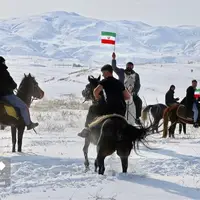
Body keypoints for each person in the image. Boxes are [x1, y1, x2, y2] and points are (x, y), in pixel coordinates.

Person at [78, 64, 130, 138]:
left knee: (92, 108)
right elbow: (128, 97)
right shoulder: (119, 83)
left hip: (109, 109)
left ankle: (87, 129)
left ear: (106, 72)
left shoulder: (104, 81)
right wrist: (118, 98)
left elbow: (95, 91)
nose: (102, 75)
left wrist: (98, 97)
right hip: (121, 110)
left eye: (103, 73)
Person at [0, 56, 39, 130]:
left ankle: (2, 126)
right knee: (24, 107)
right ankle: (29, 124)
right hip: (7, 95)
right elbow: (12, 84)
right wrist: (13, 86)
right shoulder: (4, 71)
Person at [111, 52, 142, 124]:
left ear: (133, 67)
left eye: (131, 66)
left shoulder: (136, 75)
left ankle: (137, 118)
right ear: (126, 66)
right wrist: (113, 59)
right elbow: (114, 68)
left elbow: (138, 85)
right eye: (128, 65)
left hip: (132, 93)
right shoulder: (121, 72)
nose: (129, 67)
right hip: (122, 92)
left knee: (139, 102)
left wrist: (135, 92)